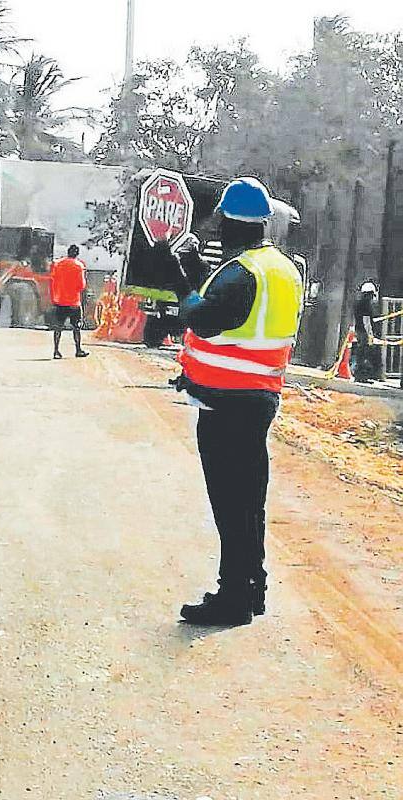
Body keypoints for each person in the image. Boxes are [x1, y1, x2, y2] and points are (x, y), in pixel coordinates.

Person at [159, 177, 303, 626]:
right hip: (260, 398)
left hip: (227, 403)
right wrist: (197, 269)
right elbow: (236, 312)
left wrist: (179, 276)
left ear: (228, 222)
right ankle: (252, 587)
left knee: (230, 502)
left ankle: (234, 596)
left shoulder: (242, 272)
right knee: (249, 500)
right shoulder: (280, 269)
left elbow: (203, 320)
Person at [48, 244, 89, 359]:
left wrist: (55, 296)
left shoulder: (58, 264)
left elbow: (53, 280)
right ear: (77, 254)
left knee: (58, 327)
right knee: (76, 327)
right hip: (74, 302)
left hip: (60, 300)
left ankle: (56, 351)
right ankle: (78, 350)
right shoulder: (79, 266)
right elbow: (81, 285)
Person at [352, 280, 382, 383]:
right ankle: (362, 376)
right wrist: (370, 335)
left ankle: (360, 376)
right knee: (365, 354)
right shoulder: (365, 305)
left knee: (361, 354)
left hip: (359, 330)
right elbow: (366, 321)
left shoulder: (358, 303)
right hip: (364, 332)